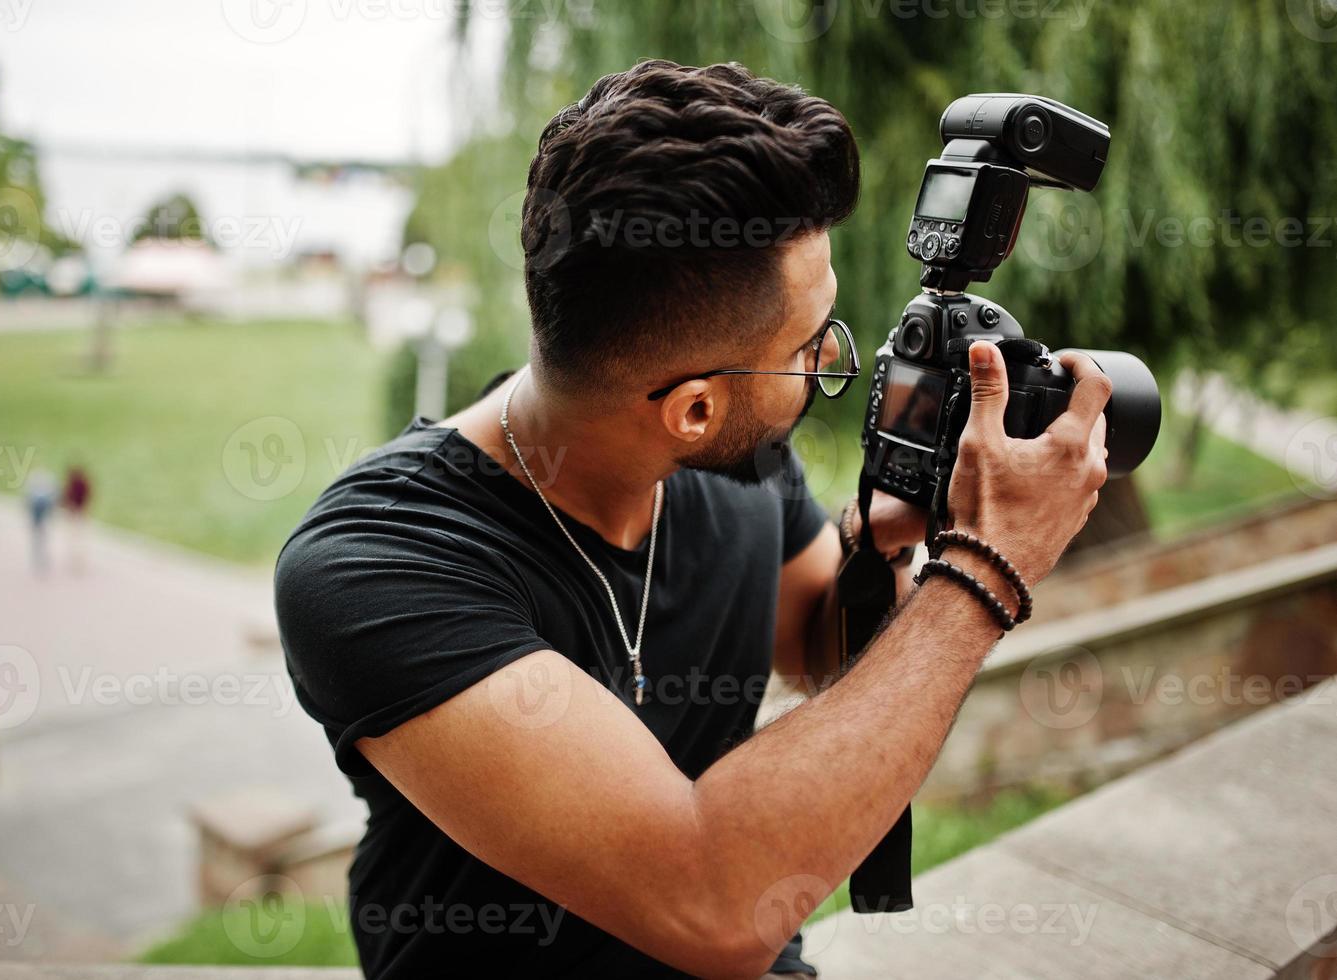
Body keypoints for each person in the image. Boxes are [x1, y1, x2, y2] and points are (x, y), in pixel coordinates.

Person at [275, 61, 1110, 979]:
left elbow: (823, 655)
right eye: (809, 347)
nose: (833, 361)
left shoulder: (738, 464)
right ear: (695, 409)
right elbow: (712, 902)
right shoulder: (374, 567)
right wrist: (988, 568)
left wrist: (899, 536)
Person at [24, 468, 58, 575]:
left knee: (39, 541)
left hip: (40, 523)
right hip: (40, 523)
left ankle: (40, 559)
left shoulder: (39, 498)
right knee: (41, 540)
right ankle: (41, 559)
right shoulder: (43, 498)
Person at [61, 464, 92, 572]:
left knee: (74, 538)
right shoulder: (84, 484)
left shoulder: (71, 486)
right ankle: (78, 560)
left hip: (73, 513)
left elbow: (64, 499)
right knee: (79, 538)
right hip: (80, 512)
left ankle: (76, 560)